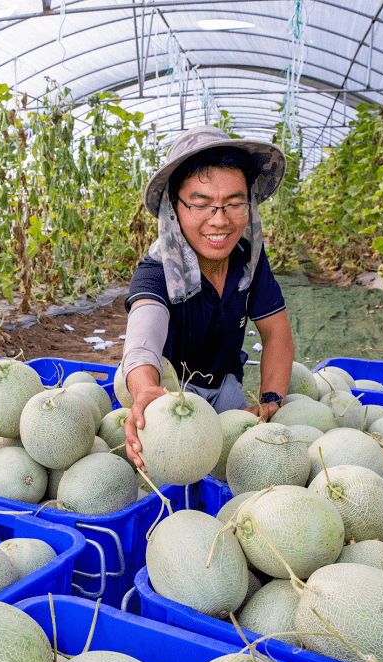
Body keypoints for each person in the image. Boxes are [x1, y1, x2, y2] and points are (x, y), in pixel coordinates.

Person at [120, 126, 295, 471]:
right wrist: (144, 390)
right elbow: (142, 338)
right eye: (201, 204)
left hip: (225, 387)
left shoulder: (249, 259)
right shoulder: (158, 271)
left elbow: (276, 333)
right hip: (170, 401)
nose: (220, 221)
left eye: (234, 204)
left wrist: (271, 398)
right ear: (175, 205)